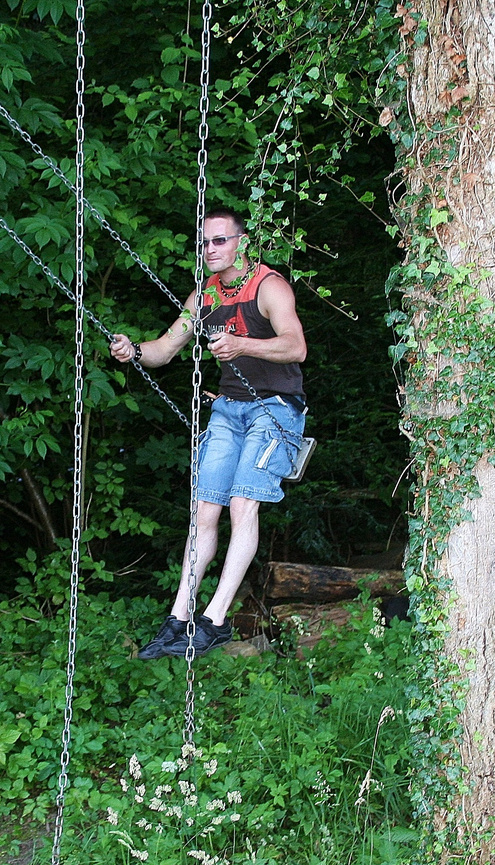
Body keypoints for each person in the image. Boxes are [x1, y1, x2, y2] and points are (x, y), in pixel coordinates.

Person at [109, 207, 308, 658]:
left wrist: (242, 344)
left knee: (243, 503)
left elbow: (296, 345)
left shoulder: (268, 286)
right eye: (204, 242)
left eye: (220, 240)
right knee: (204, 513)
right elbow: (165, 348)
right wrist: (133, 350)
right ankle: (179, 618)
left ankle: (214, 619)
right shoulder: (205, 298)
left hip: (274, 411)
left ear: (242, 241)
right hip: (228, 412)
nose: (210, 250)